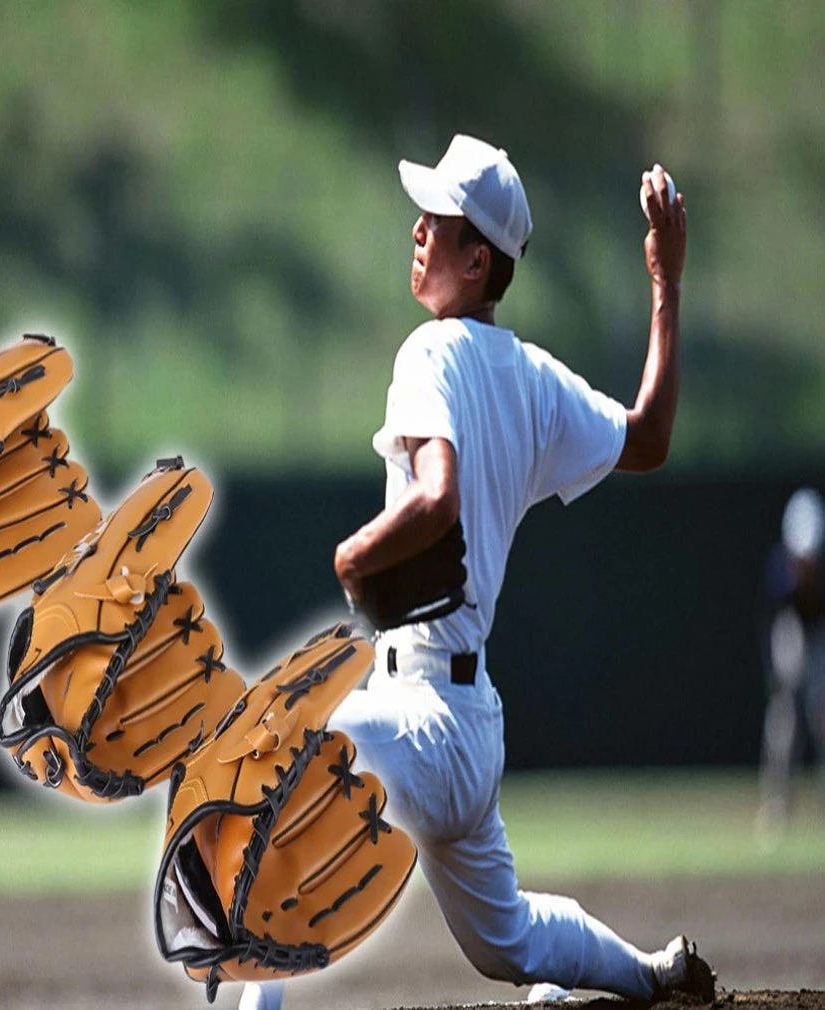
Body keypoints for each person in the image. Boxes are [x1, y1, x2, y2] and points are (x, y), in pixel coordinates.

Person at [239, 135, 711, 1010]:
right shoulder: (530, 376)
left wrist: (352, 555)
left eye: (440, 221)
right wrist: (666, 285)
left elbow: (439, 495)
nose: (418, 231)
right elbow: (649, 438)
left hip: (417, 721)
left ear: (476, 257)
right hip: (468, 727)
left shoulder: (429, 353)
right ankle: (654, 976)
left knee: (283, 774)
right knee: (513, 943)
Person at [758, 486, 825, 832]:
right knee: (784, 721)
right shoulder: (781, 570)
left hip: (820, 633)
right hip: (794, 631)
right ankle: (778, 804)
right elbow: (778, 627)